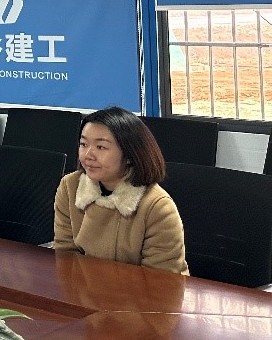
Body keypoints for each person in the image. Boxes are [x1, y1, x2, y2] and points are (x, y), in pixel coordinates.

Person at [53, 106, 188, 274]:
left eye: (100, 147)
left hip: (142, 290)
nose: (88, 155)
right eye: (83, 144)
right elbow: (65, 257)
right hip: (84, 289)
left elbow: (160, 280)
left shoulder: (157, 206)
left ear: (130, 155)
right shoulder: (70, 186)